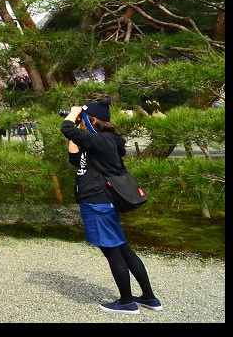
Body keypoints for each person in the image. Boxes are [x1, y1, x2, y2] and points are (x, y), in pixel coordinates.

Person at [62, 99, 161, 314]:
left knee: (112, 251)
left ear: (94, 120)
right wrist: (79, 125)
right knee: (122, 248)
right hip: (100, 199)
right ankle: (149, 298)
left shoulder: (103, 141)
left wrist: (73, 114)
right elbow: (74, 159)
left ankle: (126, 301)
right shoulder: (99, 141)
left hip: (96, 201)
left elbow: (65, 128)